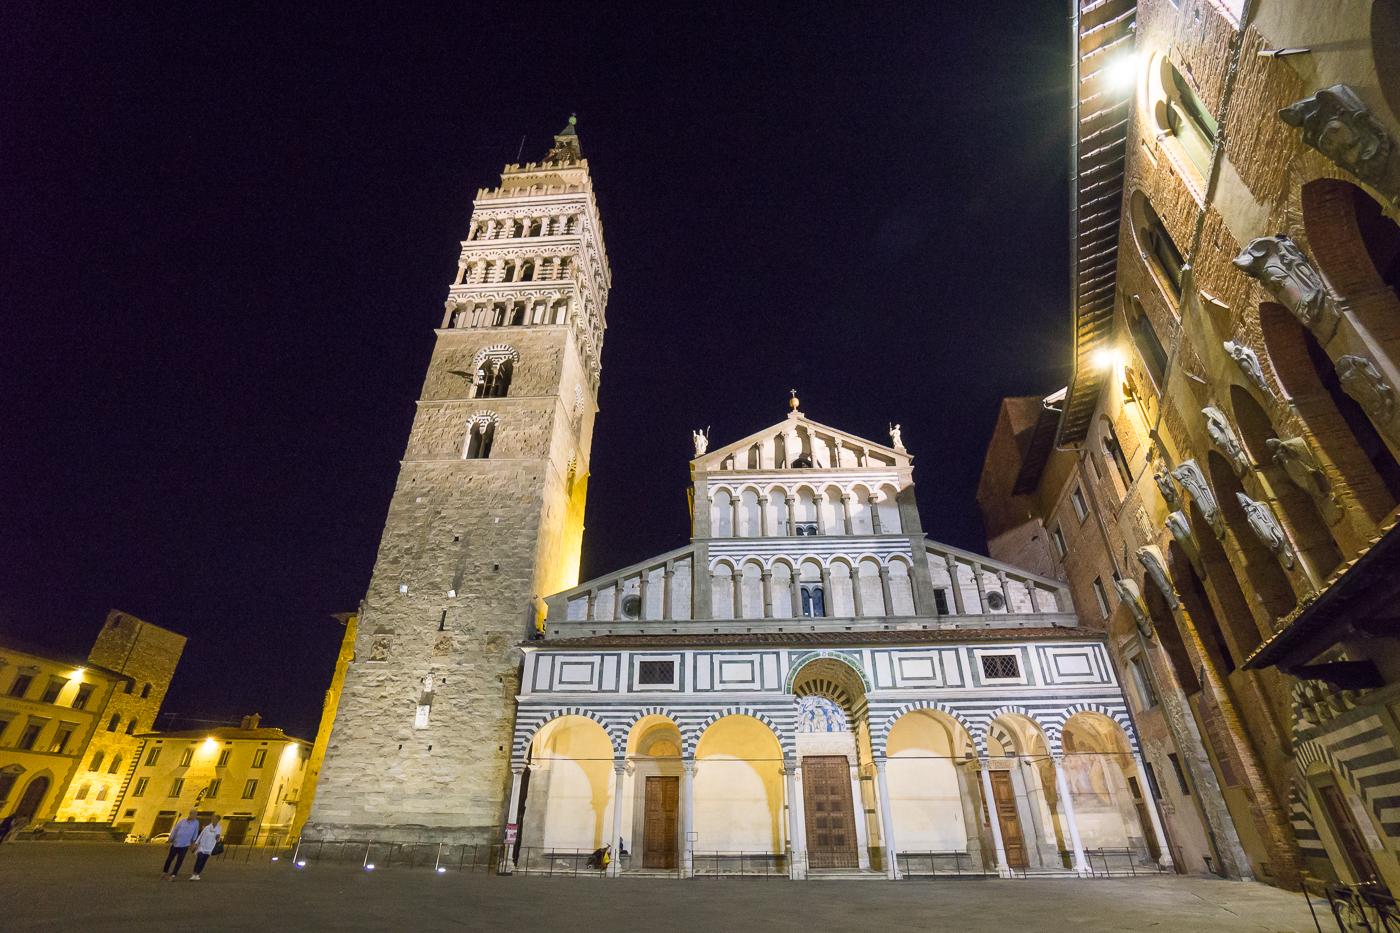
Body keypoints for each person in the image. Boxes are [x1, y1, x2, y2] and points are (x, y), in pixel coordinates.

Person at [162, 809, 201, 880]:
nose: (193, 815)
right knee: (169, 859)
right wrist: (169, 841)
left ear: (196, 815)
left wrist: (193, 845)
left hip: (185, 845)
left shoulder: (196, 823)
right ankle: (164, 871)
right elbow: (175, 830)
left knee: (180, 860)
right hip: (176, 843)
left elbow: (195, 833)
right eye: (191, 813)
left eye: (194, 814)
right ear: (189, 814)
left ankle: (173, 874)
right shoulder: (182, 821)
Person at [189, 815, 223, 881]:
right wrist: (196, 844)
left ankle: (198, 874)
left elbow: (218, 837)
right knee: (199, 858)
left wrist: (218, 837)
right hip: (202, 845)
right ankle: (194, 873)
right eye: (213, 819)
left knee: (203, 861)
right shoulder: (207, 827)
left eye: (215, 819)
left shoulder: (219, 828)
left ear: (218, 821)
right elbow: (201, 835)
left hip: (209, 847)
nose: (214, 820)